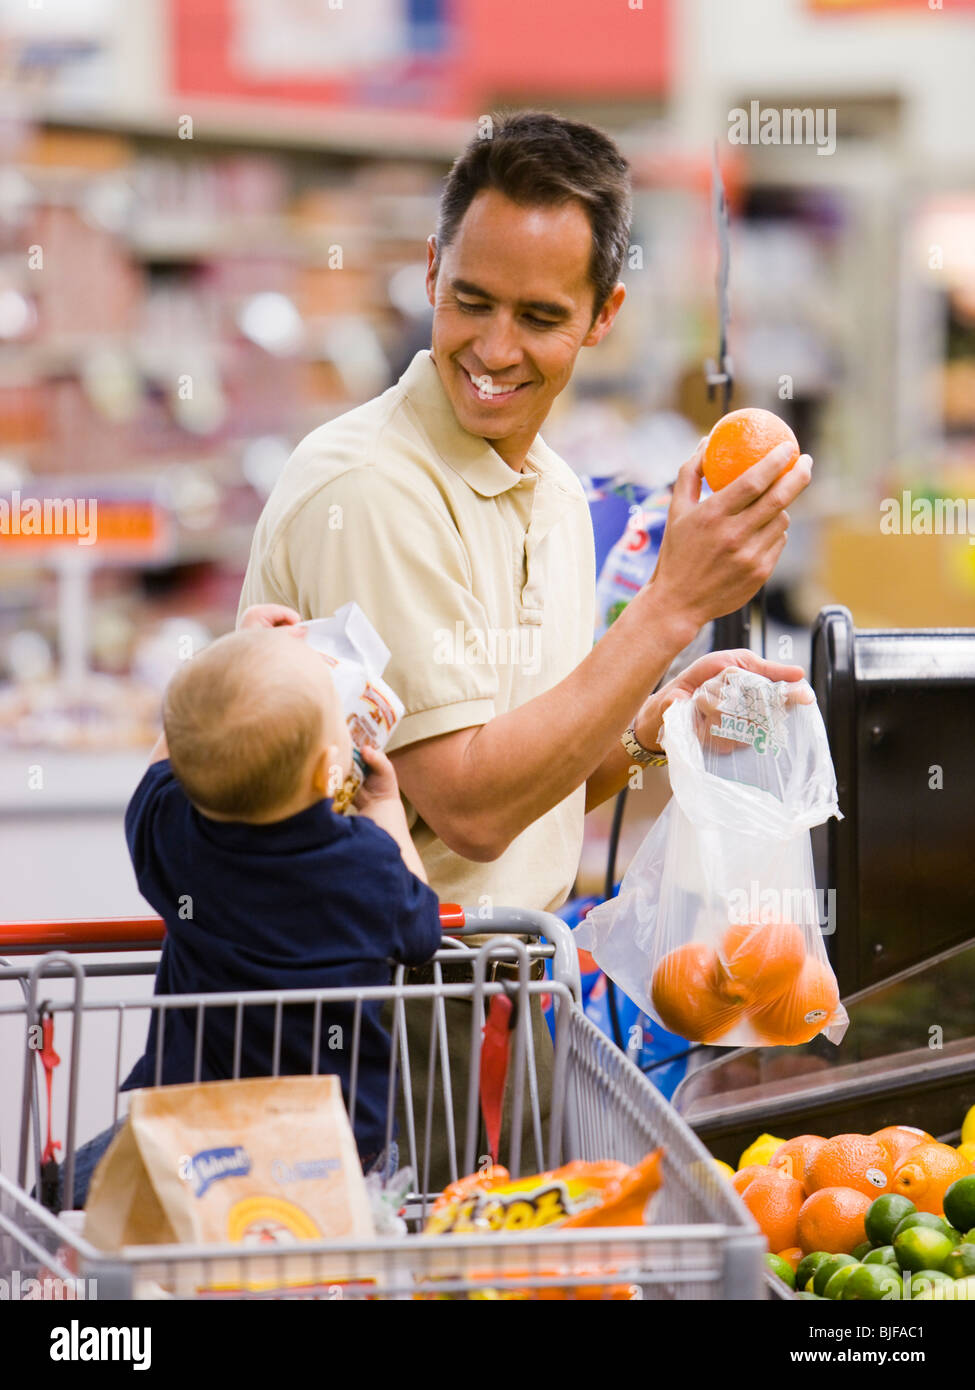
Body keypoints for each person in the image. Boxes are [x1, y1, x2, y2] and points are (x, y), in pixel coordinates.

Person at [237, 111, 813, 1176]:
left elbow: (530, 768)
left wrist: (652, 728)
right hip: (356, 1017)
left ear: (603, 317)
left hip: (499, 999)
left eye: (541, 315)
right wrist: (668, 610)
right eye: (472, 300)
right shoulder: (372, 489)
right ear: (429, 272)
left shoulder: (550, 488)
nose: (495, 351)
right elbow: (467, 803)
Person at [66, 605, 441, 1207]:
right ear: (329, 771)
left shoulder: (174, 837)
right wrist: (386, 808)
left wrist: (233, 659)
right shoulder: (366, 865)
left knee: (52, 1205)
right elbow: (424, 929)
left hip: (196, 1128)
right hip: (337, 1143)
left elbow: (165, 765)